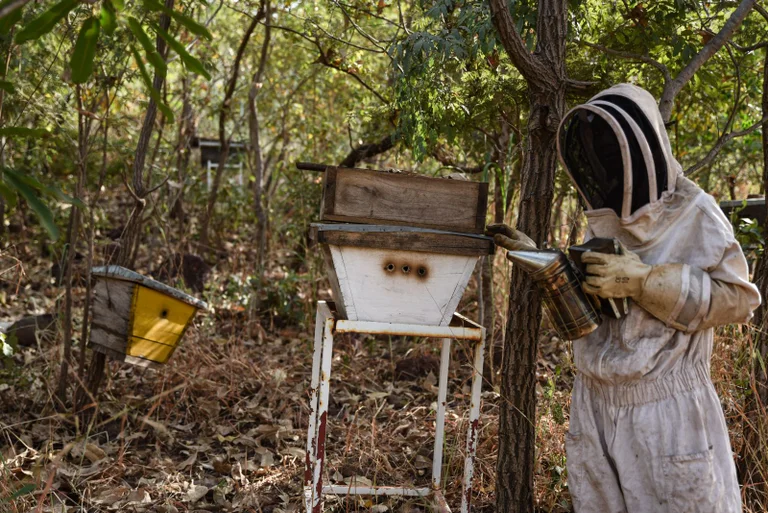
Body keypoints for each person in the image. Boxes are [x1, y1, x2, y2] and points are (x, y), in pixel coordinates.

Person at [488, 83, 761, 513]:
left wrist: (644, 281)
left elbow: (740, 300)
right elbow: (599, 301)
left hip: (668, 412)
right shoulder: (605, 218)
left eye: (612, 151)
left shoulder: (696, 212)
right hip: (594, 405)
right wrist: (545, 262)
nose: (607, 167)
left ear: (644, 145)